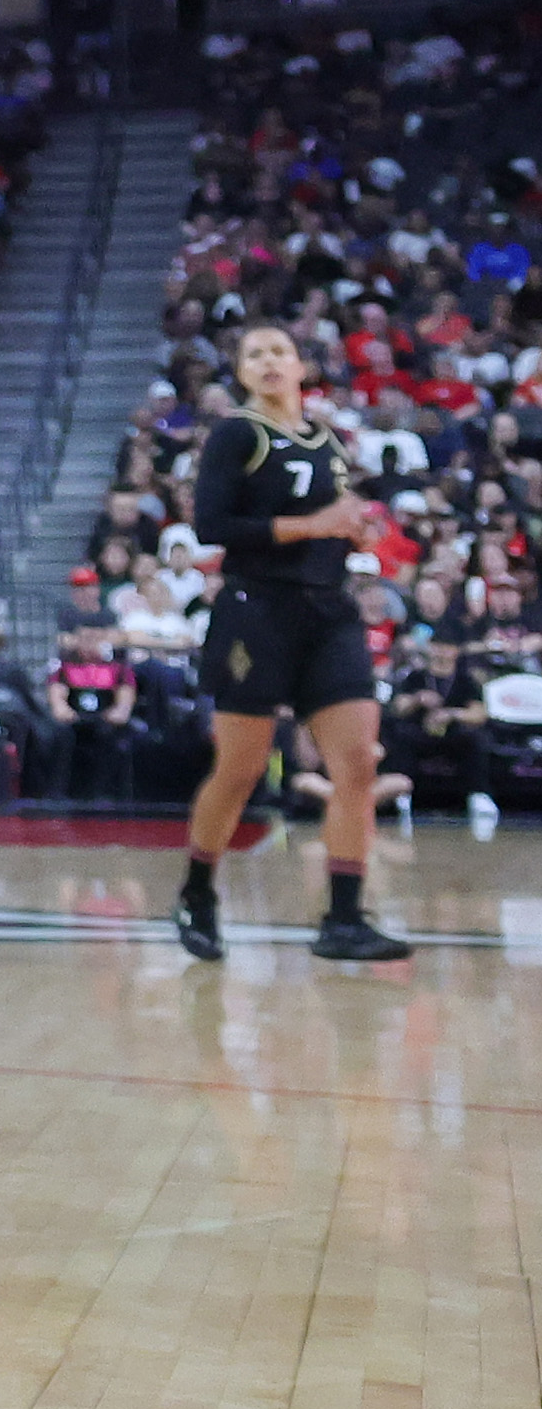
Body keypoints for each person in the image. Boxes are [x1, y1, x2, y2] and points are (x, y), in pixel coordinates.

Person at [174, 324, 409, 963]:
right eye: (256, 354)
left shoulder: (328, 439)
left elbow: (330, 522)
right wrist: (317, 525)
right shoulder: (237, 434)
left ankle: (343, 918)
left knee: (357, 762)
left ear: (302, 365)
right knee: (242, 769)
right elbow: (214, 525)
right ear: (243, 373)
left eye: (280, 350)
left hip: (329, 613)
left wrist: (355, 531)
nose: (270, 361)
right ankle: (198, 891)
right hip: (257, 613)